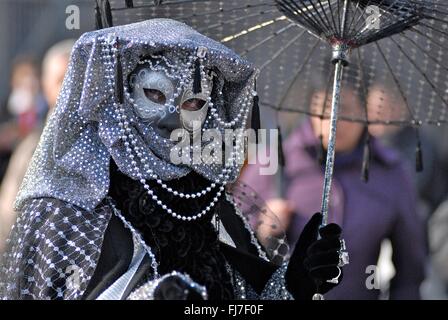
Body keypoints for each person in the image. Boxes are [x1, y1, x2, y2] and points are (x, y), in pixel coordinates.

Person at [0, 19, 346, 300]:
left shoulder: (205, 199)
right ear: (121, 95)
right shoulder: (74, 202)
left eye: (192, 104)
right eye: (155, 94)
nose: (173, 118)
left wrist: (294, 283)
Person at [241, 85, 427, 299]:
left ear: (364, 112)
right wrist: (261, 229)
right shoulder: (275, 161)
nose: (334, 120)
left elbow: (410, 272)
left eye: (345, 110)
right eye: (325, 109)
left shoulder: (390, 172)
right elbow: (230, 244)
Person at [0, 40, 75, 253]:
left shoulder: (109, 140)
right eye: (61, 80)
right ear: (46, 85)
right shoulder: (32, 148)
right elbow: (8, 218)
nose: (69, 88)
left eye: (76, 78)